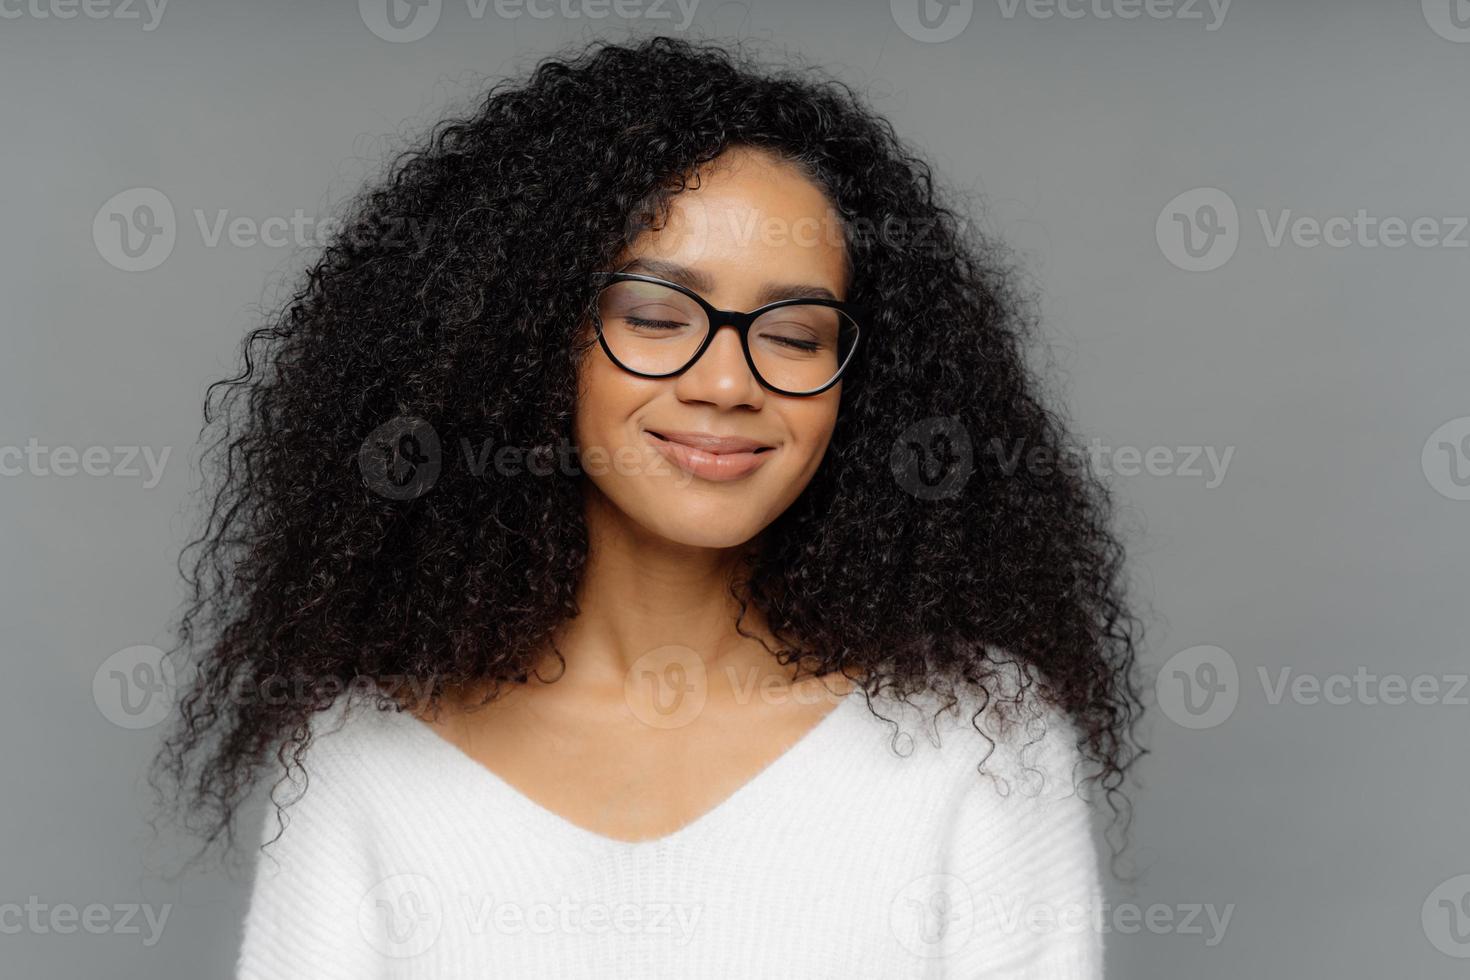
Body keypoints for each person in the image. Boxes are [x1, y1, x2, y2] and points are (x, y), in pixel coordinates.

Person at [154, 35, 1145, 979]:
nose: (727, 382)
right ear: (529, 338)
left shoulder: (978, 741)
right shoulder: (360, 753)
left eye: (795, 334)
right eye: (657, 317)